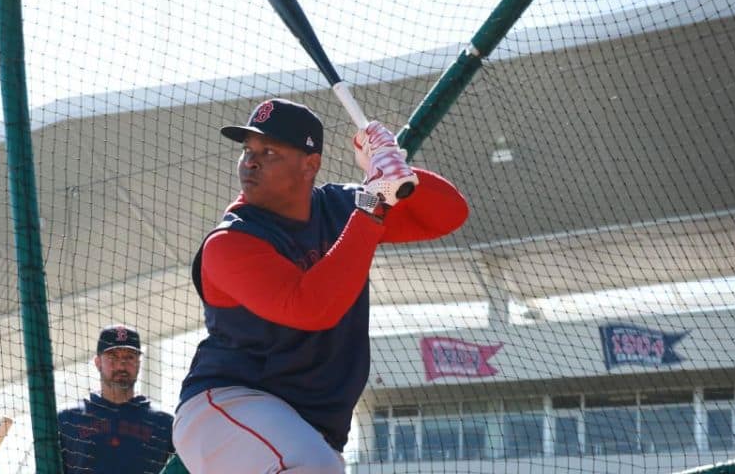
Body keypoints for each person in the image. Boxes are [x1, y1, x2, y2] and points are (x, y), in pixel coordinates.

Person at [173, 98, 469, 473]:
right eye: (248, 150)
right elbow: (311, 309)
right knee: (310, 466)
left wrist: (396, 167)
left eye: (269, 152)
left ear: (310, 165)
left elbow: (449, 213)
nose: (250, 161)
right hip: (230, 407)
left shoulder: (340, 206)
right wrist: (374, 204)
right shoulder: (231, 241)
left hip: (308, 428)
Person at [58, 325, 175, 474]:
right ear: (98, 362)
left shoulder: (164, 422)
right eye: (113, 357)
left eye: (129, 357)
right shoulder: (68, 419)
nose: (121, 365)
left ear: (139, 363)